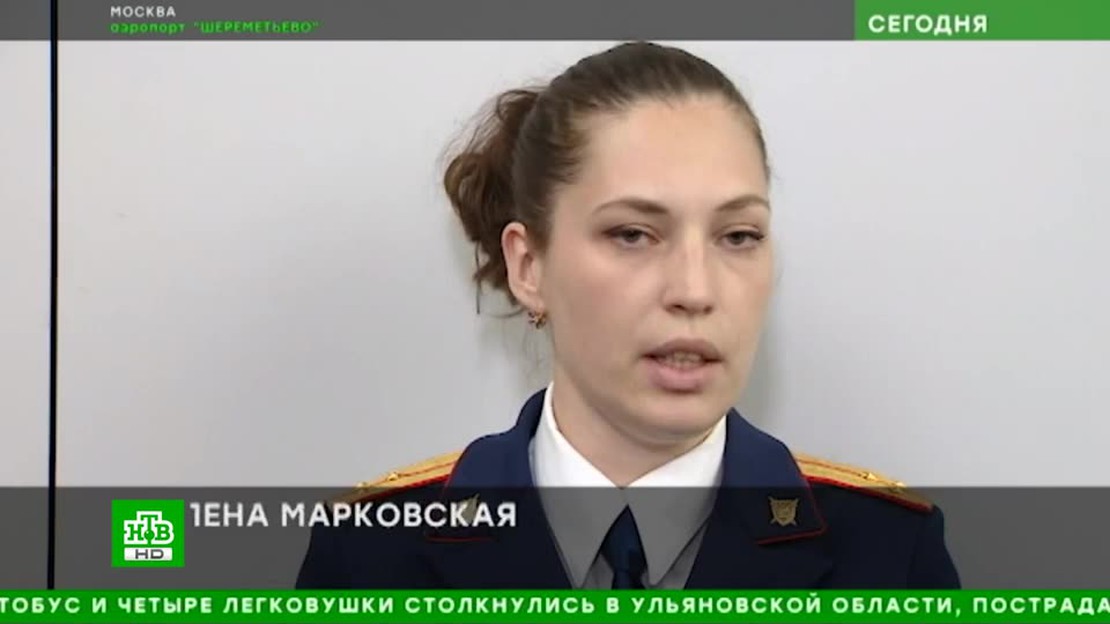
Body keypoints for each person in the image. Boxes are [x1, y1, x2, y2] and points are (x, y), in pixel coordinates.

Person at [296, 41, 960, 589]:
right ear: (529, 267)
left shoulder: (890, 557)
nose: (695, 290)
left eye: (738, 236)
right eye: (633, 234)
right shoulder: (369, 556)